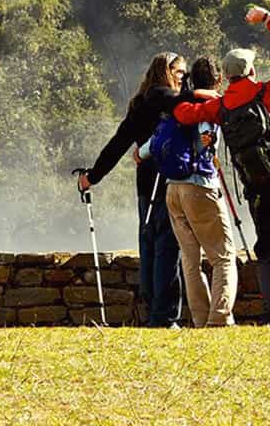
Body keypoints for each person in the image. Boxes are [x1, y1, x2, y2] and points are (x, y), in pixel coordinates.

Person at [174, 4, 270, 323]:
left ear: (227, 77)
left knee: (267, 251)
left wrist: (200, 94)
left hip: (257, 188)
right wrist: (267, 19)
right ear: (251, 70)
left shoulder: (221, 107)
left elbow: (184, 113)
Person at [75, 52, 196, 328]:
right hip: (166, 182)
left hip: (144, 185)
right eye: (180, 73)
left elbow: (118, 143)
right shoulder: (165, 97)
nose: (182, 79)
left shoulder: (139, 103)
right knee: (167, 246)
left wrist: (93, 176)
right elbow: (189, 102)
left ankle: (154, 310)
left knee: (149, 244)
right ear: (167, 72)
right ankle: (165, 316)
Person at [145, 94, 236, 327]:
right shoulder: (206, 110)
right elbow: (207, 143)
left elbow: (143, 151)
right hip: (201, 186)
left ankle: (200, 317)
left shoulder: (176, 109)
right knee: (222, 256)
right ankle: (219, 317)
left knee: (189, 258)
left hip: (172, 189)